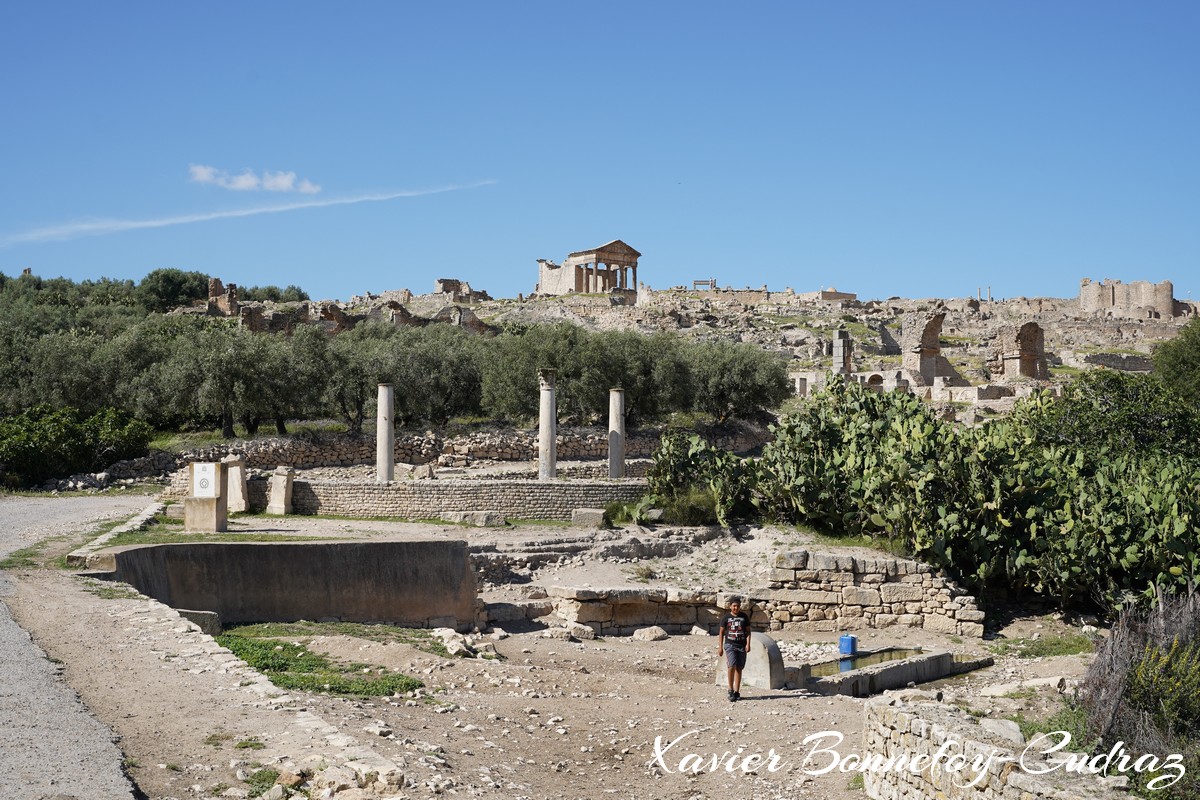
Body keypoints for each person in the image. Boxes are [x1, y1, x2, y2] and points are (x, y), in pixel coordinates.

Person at [718, 597, 752, 701]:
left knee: (739, 668)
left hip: (741, 645)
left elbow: (748, 631)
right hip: (730, 644)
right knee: (731, 665)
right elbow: (721, 633)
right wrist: (720, 647)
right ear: (730, 606)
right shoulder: (726, 618)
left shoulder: (744, 617)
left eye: (737, 606)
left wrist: (748, 644)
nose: (736, 608)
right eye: (734, 606)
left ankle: (737, 691)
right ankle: (730, 690)